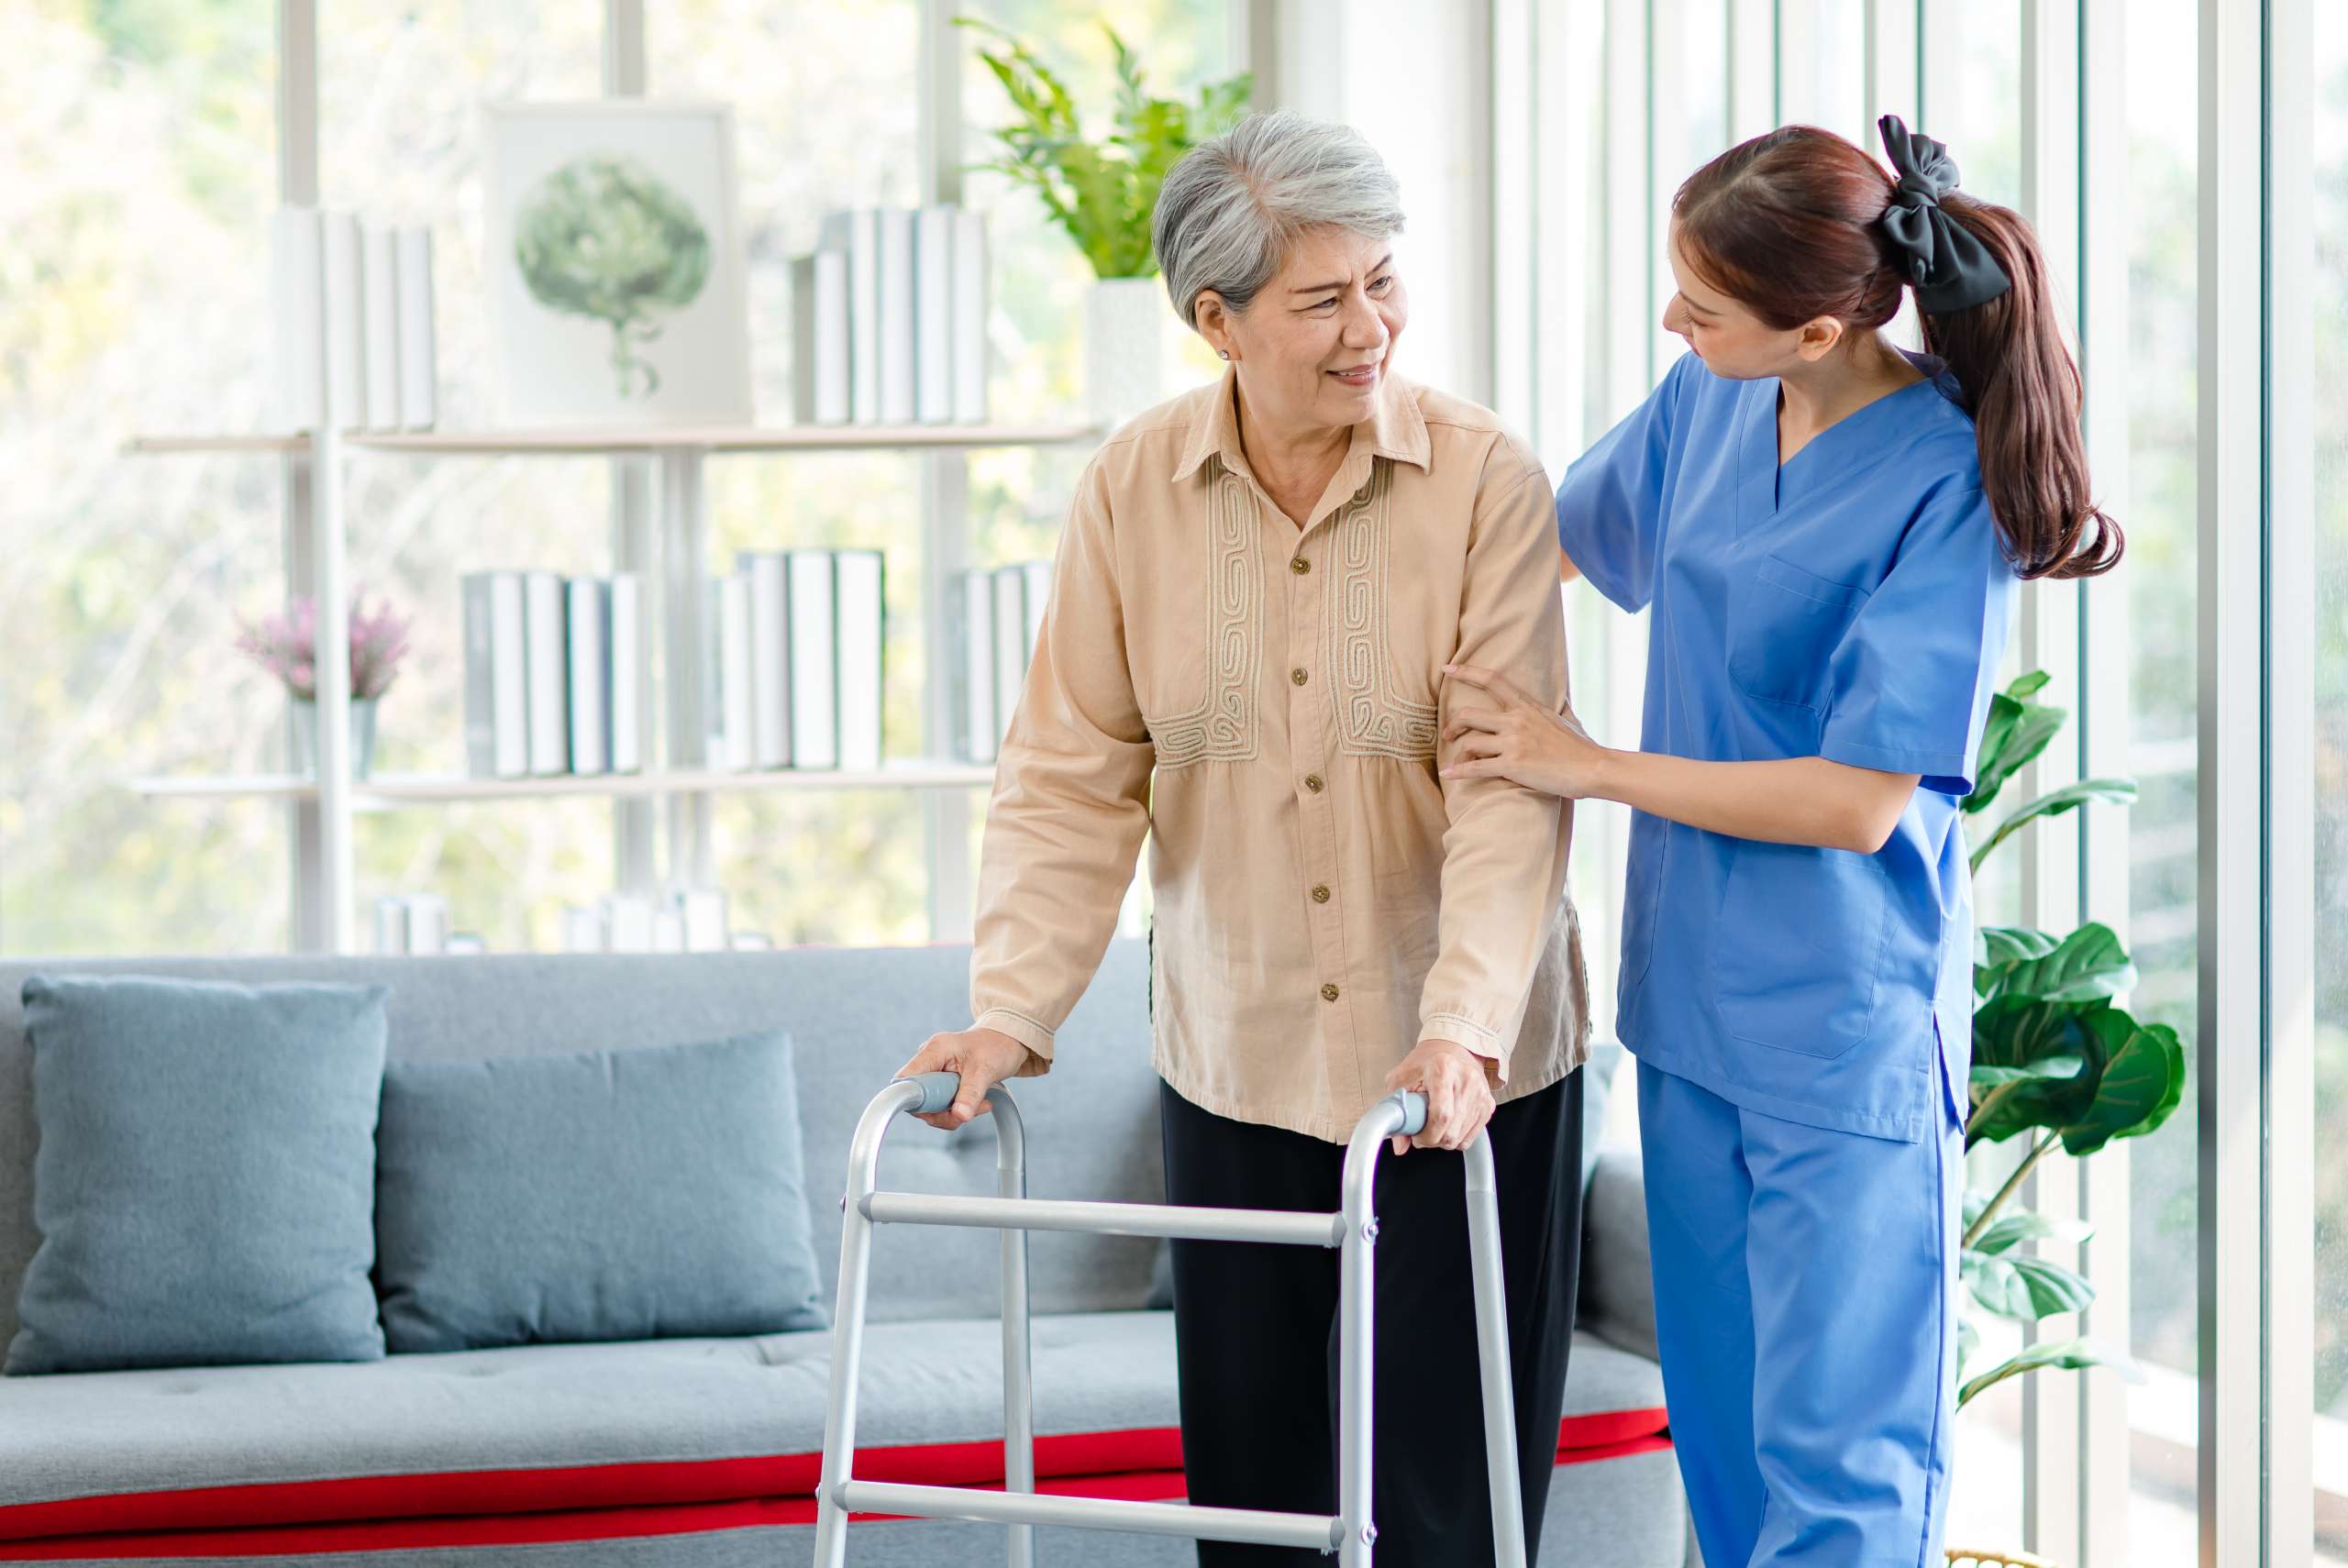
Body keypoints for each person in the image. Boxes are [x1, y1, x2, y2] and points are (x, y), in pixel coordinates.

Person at [892, 108, 1592, 1565]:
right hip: (1237, 1055)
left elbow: (1509, 792)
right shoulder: (1130, 491)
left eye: (1385, 280)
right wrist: (1009, 1011)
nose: (1372, 328)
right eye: (1323, 299)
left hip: (1460, 1082)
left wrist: (1462, 1026)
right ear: (1216, 319)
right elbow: (1073, 771)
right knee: (1259, 1513)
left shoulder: (1481, 482)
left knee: (1450, 1512)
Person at [1438, 116, 2122, 1566]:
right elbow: (1544, 539)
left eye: (1702, 304)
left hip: (1840, 1036)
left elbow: (1861, 799)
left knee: (1840, 1469)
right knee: (1728, 1440)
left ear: (1816, 328)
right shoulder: (1704, 399)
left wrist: (1588, 764)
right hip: (1689, 1015)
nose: (1672, 323)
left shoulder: (1942, 480)